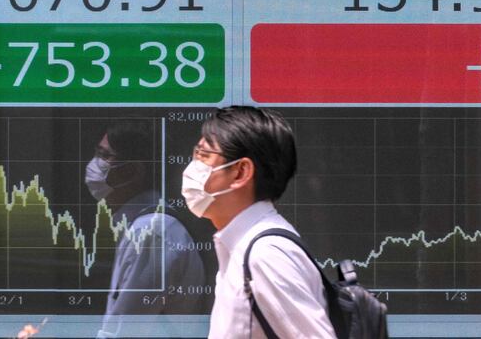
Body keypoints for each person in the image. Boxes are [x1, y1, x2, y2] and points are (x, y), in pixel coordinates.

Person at [181, 106, 336, 338]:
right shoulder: (244, 248)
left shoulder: (265, 255)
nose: (193, 167)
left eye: (203, 156)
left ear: (241, 172)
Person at [85, 121, 207, 338]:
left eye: (105, 156)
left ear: (133, 171)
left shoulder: (151, 232)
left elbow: (127, 332)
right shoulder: (143, 226)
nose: (94, 164)